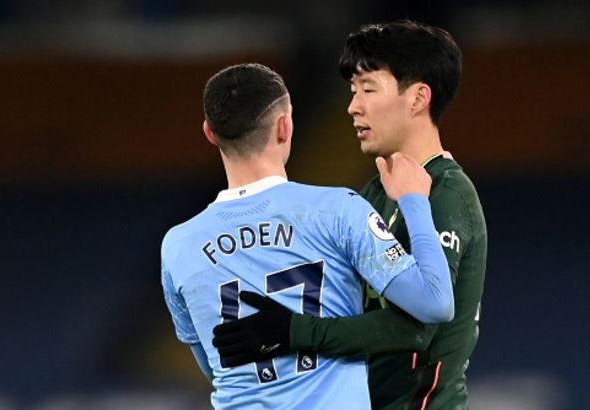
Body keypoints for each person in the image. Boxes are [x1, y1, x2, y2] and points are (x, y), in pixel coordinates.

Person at [212, 21, 487, 410]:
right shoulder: (372, 194)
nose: (353, 106)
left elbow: (420, 326)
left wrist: (293, 331)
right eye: (353, 91)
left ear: (418, 98)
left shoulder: (447, 194)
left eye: (368, 89)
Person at [161, 63, 455, 409]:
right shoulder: (338, 211)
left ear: (210, 133)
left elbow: (215, 365)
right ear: (284, 126)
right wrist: (415, 202)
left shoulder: (178, 246)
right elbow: (435, 301)